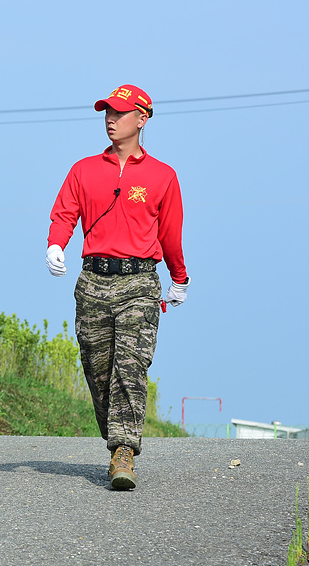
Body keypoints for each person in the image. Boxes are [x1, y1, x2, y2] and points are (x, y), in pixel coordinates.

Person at [45, 84, 190, 490]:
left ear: (142, 119)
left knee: (130, 367)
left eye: (120, 113)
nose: (111, 119)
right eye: (107, 112)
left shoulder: (163, 176)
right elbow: (64, 212)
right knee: (98, 370)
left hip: (139, 283)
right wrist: (57, 243)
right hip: (92, 282)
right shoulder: (84, 169)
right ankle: (116, 441)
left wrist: (179, 278)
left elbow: (171, 234)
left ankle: (123, 451)